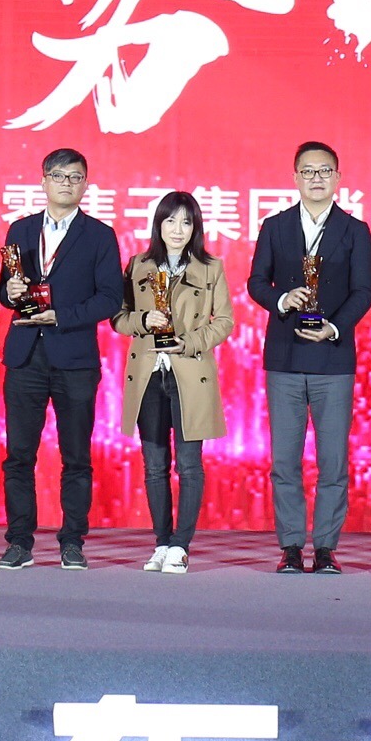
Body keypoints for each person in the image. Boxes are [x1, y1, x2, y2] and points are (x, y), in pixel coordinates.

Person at [246, 141, 371, 574]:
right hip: (284, 357)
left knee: (333, 462)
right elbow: (256, 282)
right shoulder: (275, 226)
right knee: (285, 461)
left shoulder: (355, 230)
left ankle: (325, 548)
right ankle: (289, 546)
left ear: (338, 177)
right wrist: (282, 300)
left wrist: (334, 327)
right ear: (295, 177)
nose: (316, 178)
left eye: (324, 171)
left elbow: (363, 291)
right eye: (307, 171)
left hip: (333, 359)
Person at [0, 148, 124, 571]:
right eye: (58, 175)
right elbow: (5, 289)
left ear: (85, 184)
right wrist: (10, 292)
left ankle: (72, 541)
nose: (66, 183)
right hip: (25, 356)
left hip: (74, 358)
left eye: (75, 177)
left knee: (76, 457)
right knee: (19, 455)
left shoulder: (100, 235)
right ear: (43, 181)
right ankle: (19, 542)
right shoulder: (20, 229)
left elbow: (110, 298)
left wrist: (62, 316)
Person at [116, 191, 237, 574]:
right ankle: (161, 543)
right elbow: (118, 316)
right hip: (148, 374)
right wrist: (142, 321)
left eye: (186, 222)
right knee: (154, 465)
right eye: (170, 220)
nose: (178, 229)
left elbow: (225, 321)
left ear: (195, 227)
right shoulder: (138, 265)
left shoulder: (210, 268)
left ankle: (181, 546)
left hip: (190, 372)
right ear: (159, 224)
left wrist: (190, 342)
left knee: (189, 465)